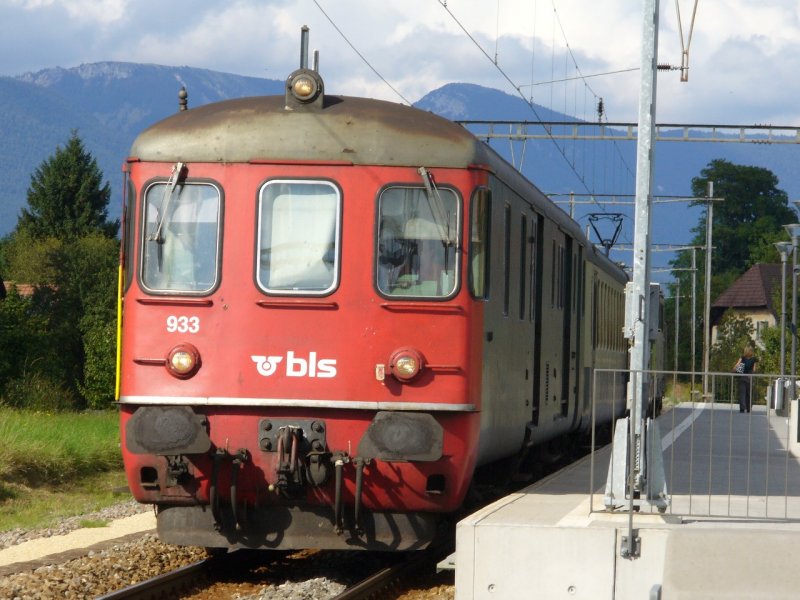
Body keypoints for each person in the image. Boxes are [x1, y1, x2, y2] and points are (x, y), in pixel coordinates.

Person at [733, 345, 757, 413]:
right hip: (749, 377)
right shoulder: (753, 359)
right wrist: (752, 374)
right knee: (748, 393)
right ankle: (748, 408)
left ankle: (742, 408)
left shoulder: (743, 358)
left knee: (743, 393)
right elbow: (754, 369)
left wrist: (733, 370)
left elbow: (737, 364)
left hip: (743, 376)